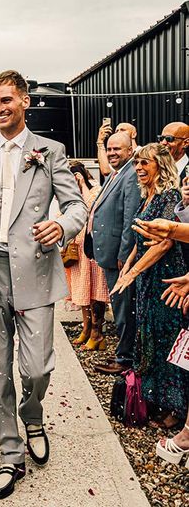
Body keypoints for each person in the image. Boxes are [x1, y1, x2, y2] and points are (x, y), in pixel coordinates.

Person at [0, 70, 87, 500]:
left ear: (24, 101)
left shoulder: (51, 151)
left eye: (7, 100)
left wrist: (61, 225)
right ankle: (10, 452)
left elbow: (76, 205)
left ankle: (33, 413)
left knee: (37, 366)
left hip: (36, 270)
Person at [112, 143, 188, 428]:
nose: (139, 169)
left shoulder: (169, 196)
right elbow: (138, 241)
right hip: (146, 277)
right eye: (136, 164)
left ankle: (176, 409)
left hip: (166, 277)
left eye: (145, 163)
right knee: (149, 336)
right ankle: (153, 398)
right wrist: (127, 269)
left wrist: (132, 274)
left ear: (160, 165)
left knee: (168, 339)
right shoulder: (147, 198)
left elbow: (164, 243)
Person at [86, 132, 141, 375]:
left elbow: (130, 218)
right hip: (108, 254)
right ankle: (124, 353)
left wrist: (124, 254)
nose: (112, 153)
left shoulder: (130, 175)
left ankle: (125, 359)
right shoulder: (116, 174)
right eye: (109, 149)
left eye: (117, 149)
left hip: (120, 258)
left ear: (130, 150)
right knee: (120, 307)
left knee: (123, 308)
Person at [65, 161, 110, 350]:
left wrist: (82, 185)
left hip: (92, 246)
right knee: (81, 290)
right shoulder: (67, 195)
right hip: (76, 248)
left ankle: (97, 332)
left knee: (96, 290)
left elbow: (92, 209)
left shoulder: (96, 189)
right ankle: (86, 328)